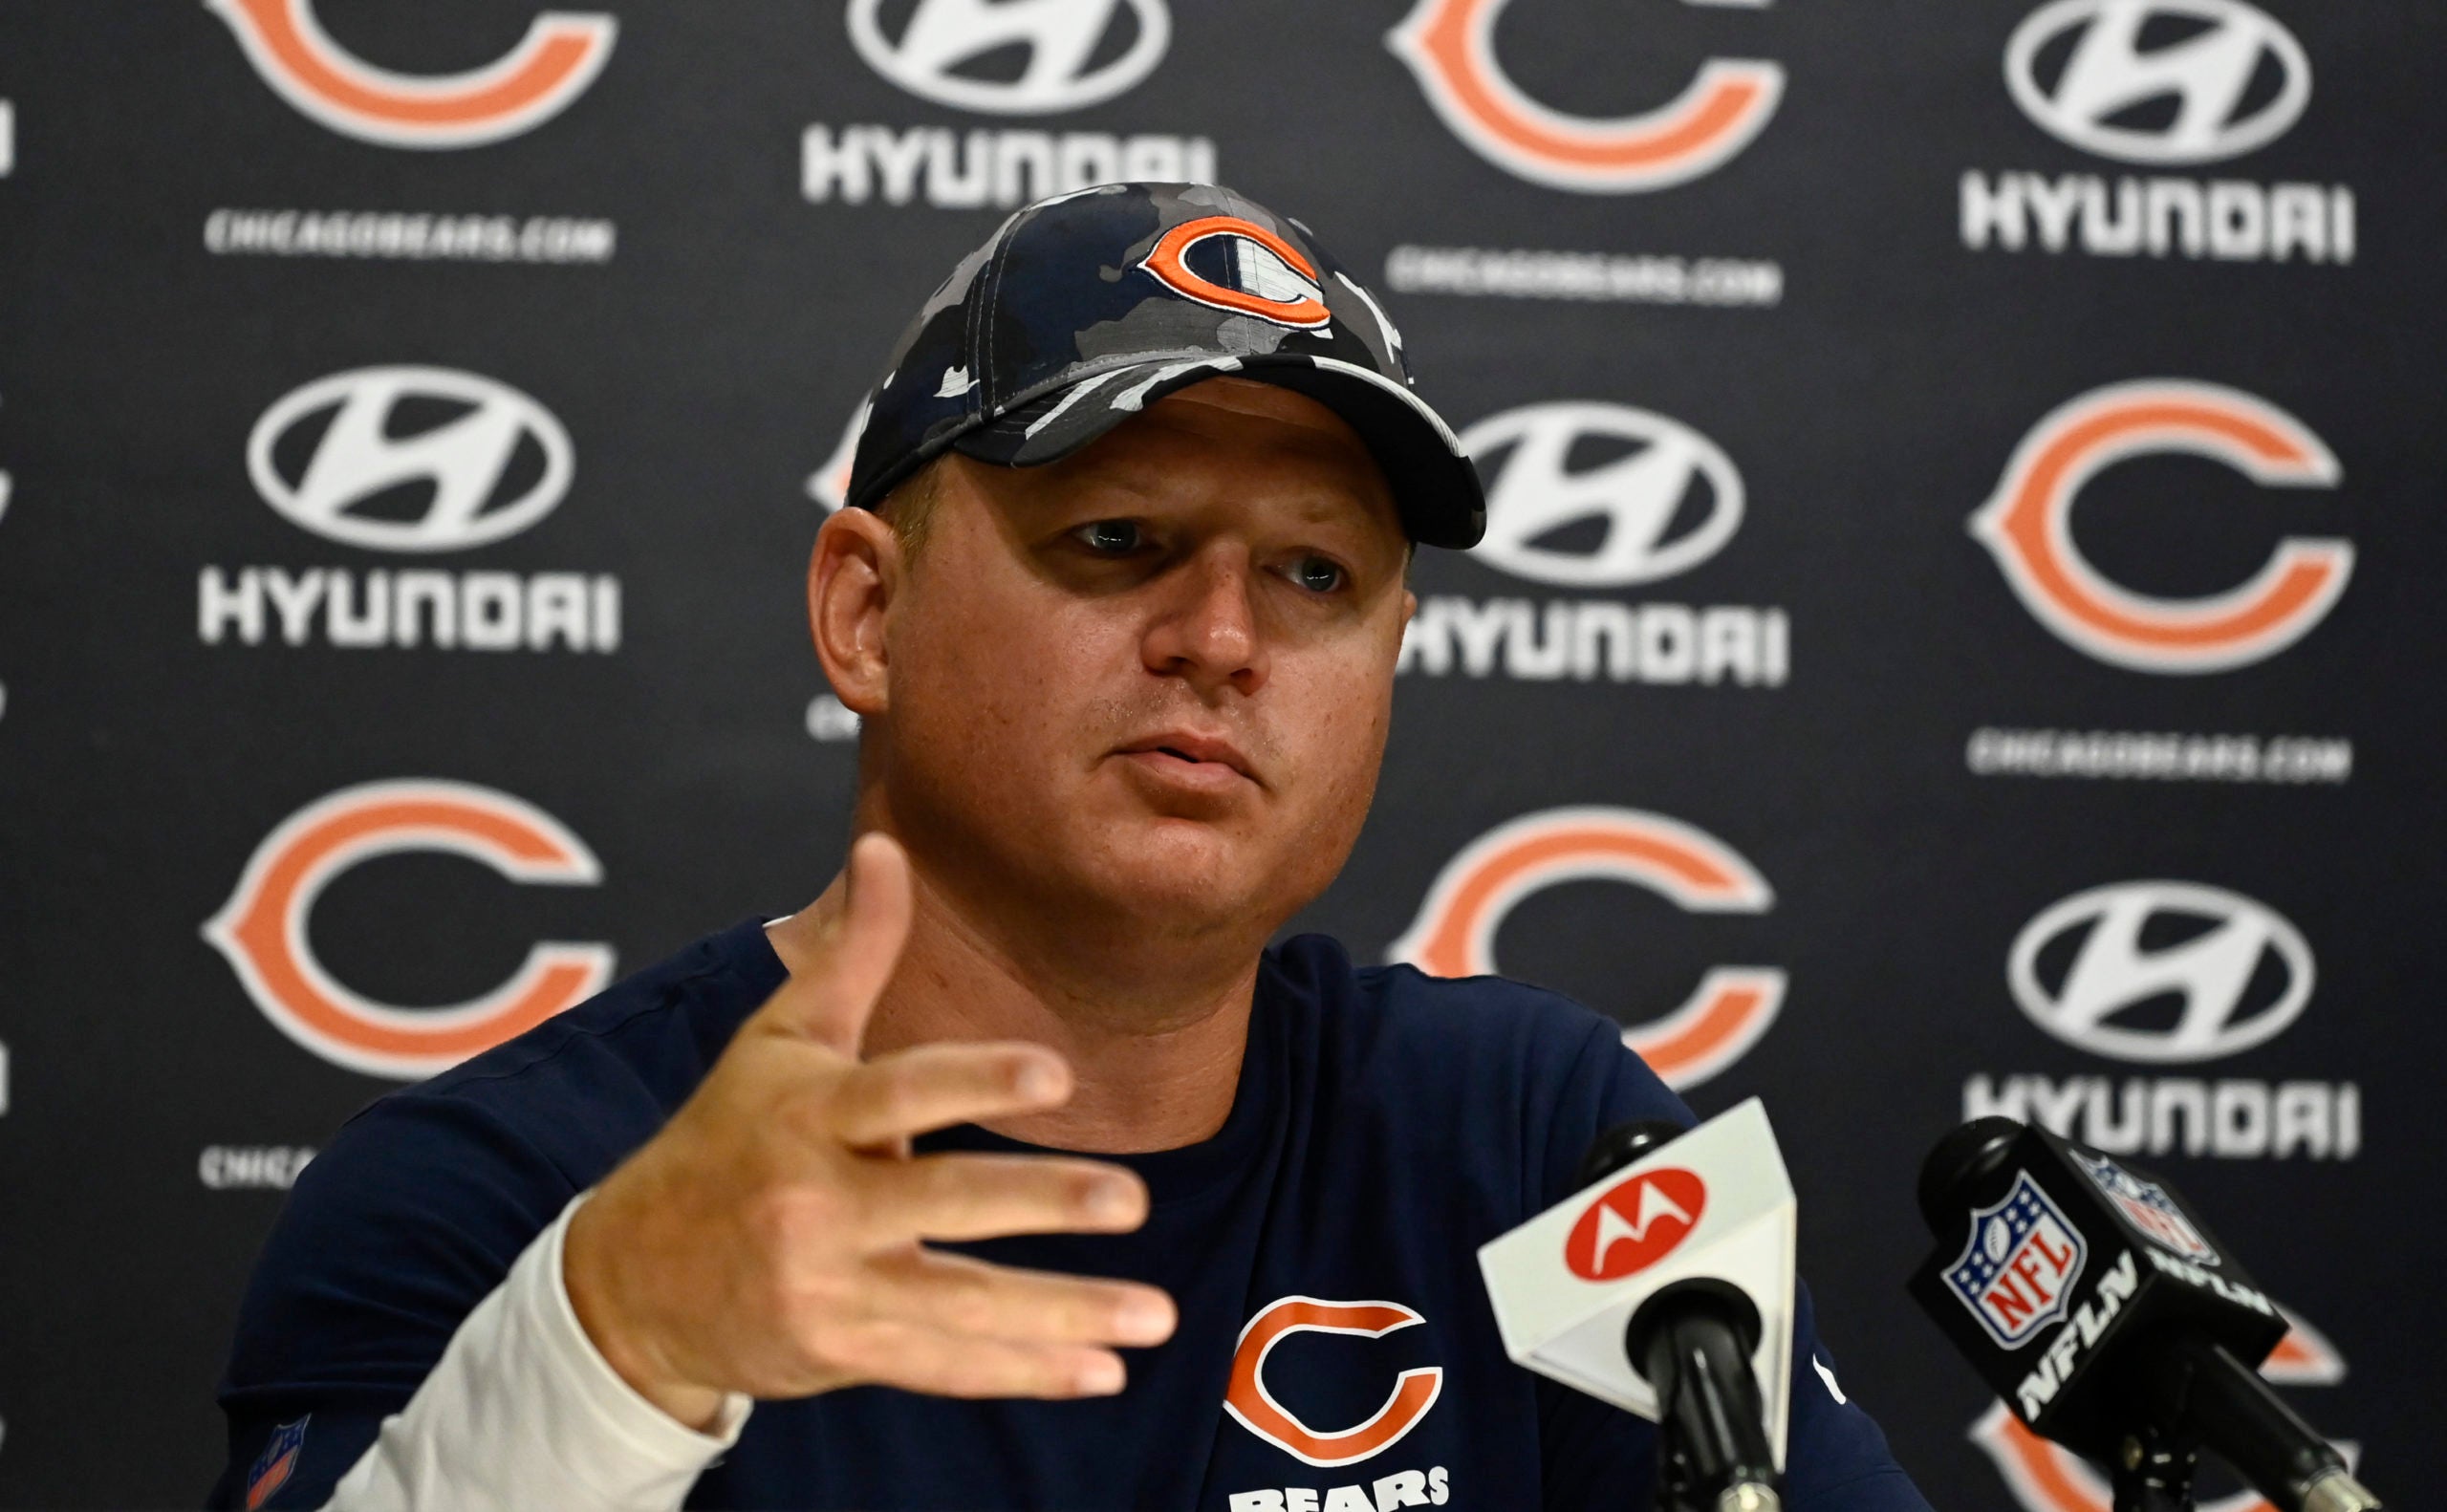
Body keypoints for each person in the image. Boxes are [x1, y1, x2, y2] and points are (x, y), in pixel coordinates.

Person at [211, 183, 1932, 1511]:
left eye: (1316, 574)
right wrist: (615, 1349)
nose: (1225, 637)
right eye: (1119, 539)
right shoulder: (492, 1199)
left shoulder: (1553, 1133)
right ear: (865, 612)